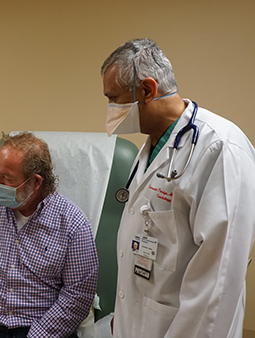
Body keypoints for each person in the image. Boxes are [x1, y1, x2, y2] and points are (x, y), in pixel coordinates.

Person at [101, 38, 255, 338]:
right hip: (137, 322)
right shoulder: (153, 147)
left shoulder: (220, 149)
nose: (110, 108)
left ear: (147, 90)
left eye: (114, 98)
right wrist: (122, 315)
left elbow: (218, 282)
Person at [0, 132, 98, 338]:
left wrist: (38, 335)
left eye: (7, 178)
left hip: (41, 328)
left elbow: (78, 295)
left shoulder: (73, 224)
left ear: (36, 182)